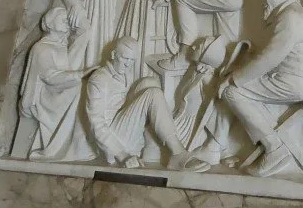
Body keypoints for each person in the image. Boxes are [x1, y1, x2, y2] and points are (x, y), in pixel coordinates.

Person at [194, 0, 303, 177]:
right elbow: (272, 55)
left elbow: (269, 58)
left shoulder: (291, 17)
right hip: (283, 78)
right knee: (228, 81)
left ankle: (274, 149)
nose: (263, 1)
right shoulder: (289, 13)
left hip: (289, 83)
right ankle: (215, 146)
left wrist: (234, 78)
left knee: (230, 91)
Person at [85, 36, 210, 171]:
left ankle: (154, 147)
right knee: (152, 93)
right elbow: (96, 124)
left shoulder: (124, 72)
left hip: (124, 127)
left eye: (132, 60)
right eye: (125, 59)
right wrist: (122, 155)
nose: (128, 64)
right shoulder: (99, 79)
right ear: (113, 54)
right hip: (114, 145)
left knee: (150, 82)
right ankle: (178, 153)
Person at [19, 7, 95, 161]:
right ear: (50, 23)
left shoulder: (61, 47)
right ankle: (66, 147)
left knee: (85, 87)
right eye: (62, 18)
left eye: (67, 19)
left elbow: (83, 34)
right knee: (79, 89)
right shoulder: (42, 48)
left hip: (58, 89)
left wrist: (79, 18)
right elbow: (50, 76)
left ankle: (78, 142)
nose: (66, 21)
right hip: (44, 96)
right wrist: (80, 74)